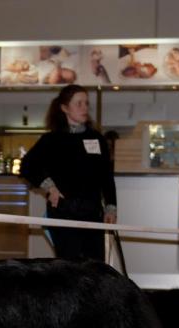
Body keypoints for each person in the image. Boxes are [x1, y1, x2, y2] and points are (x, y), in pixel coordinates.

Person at [20, 85, 117, 262]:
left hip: (93, 213)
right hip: (63, 213)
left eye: (86, 103)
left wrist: (111, 206)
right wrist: (49, 187)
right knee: (69, 267)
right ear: (64, 108)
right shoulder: (51, 139)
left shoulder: (97, 138)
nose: (84, 108)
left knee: (95, 267)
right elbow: (26, 166)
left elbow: (106, 176)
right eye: (78, 103)